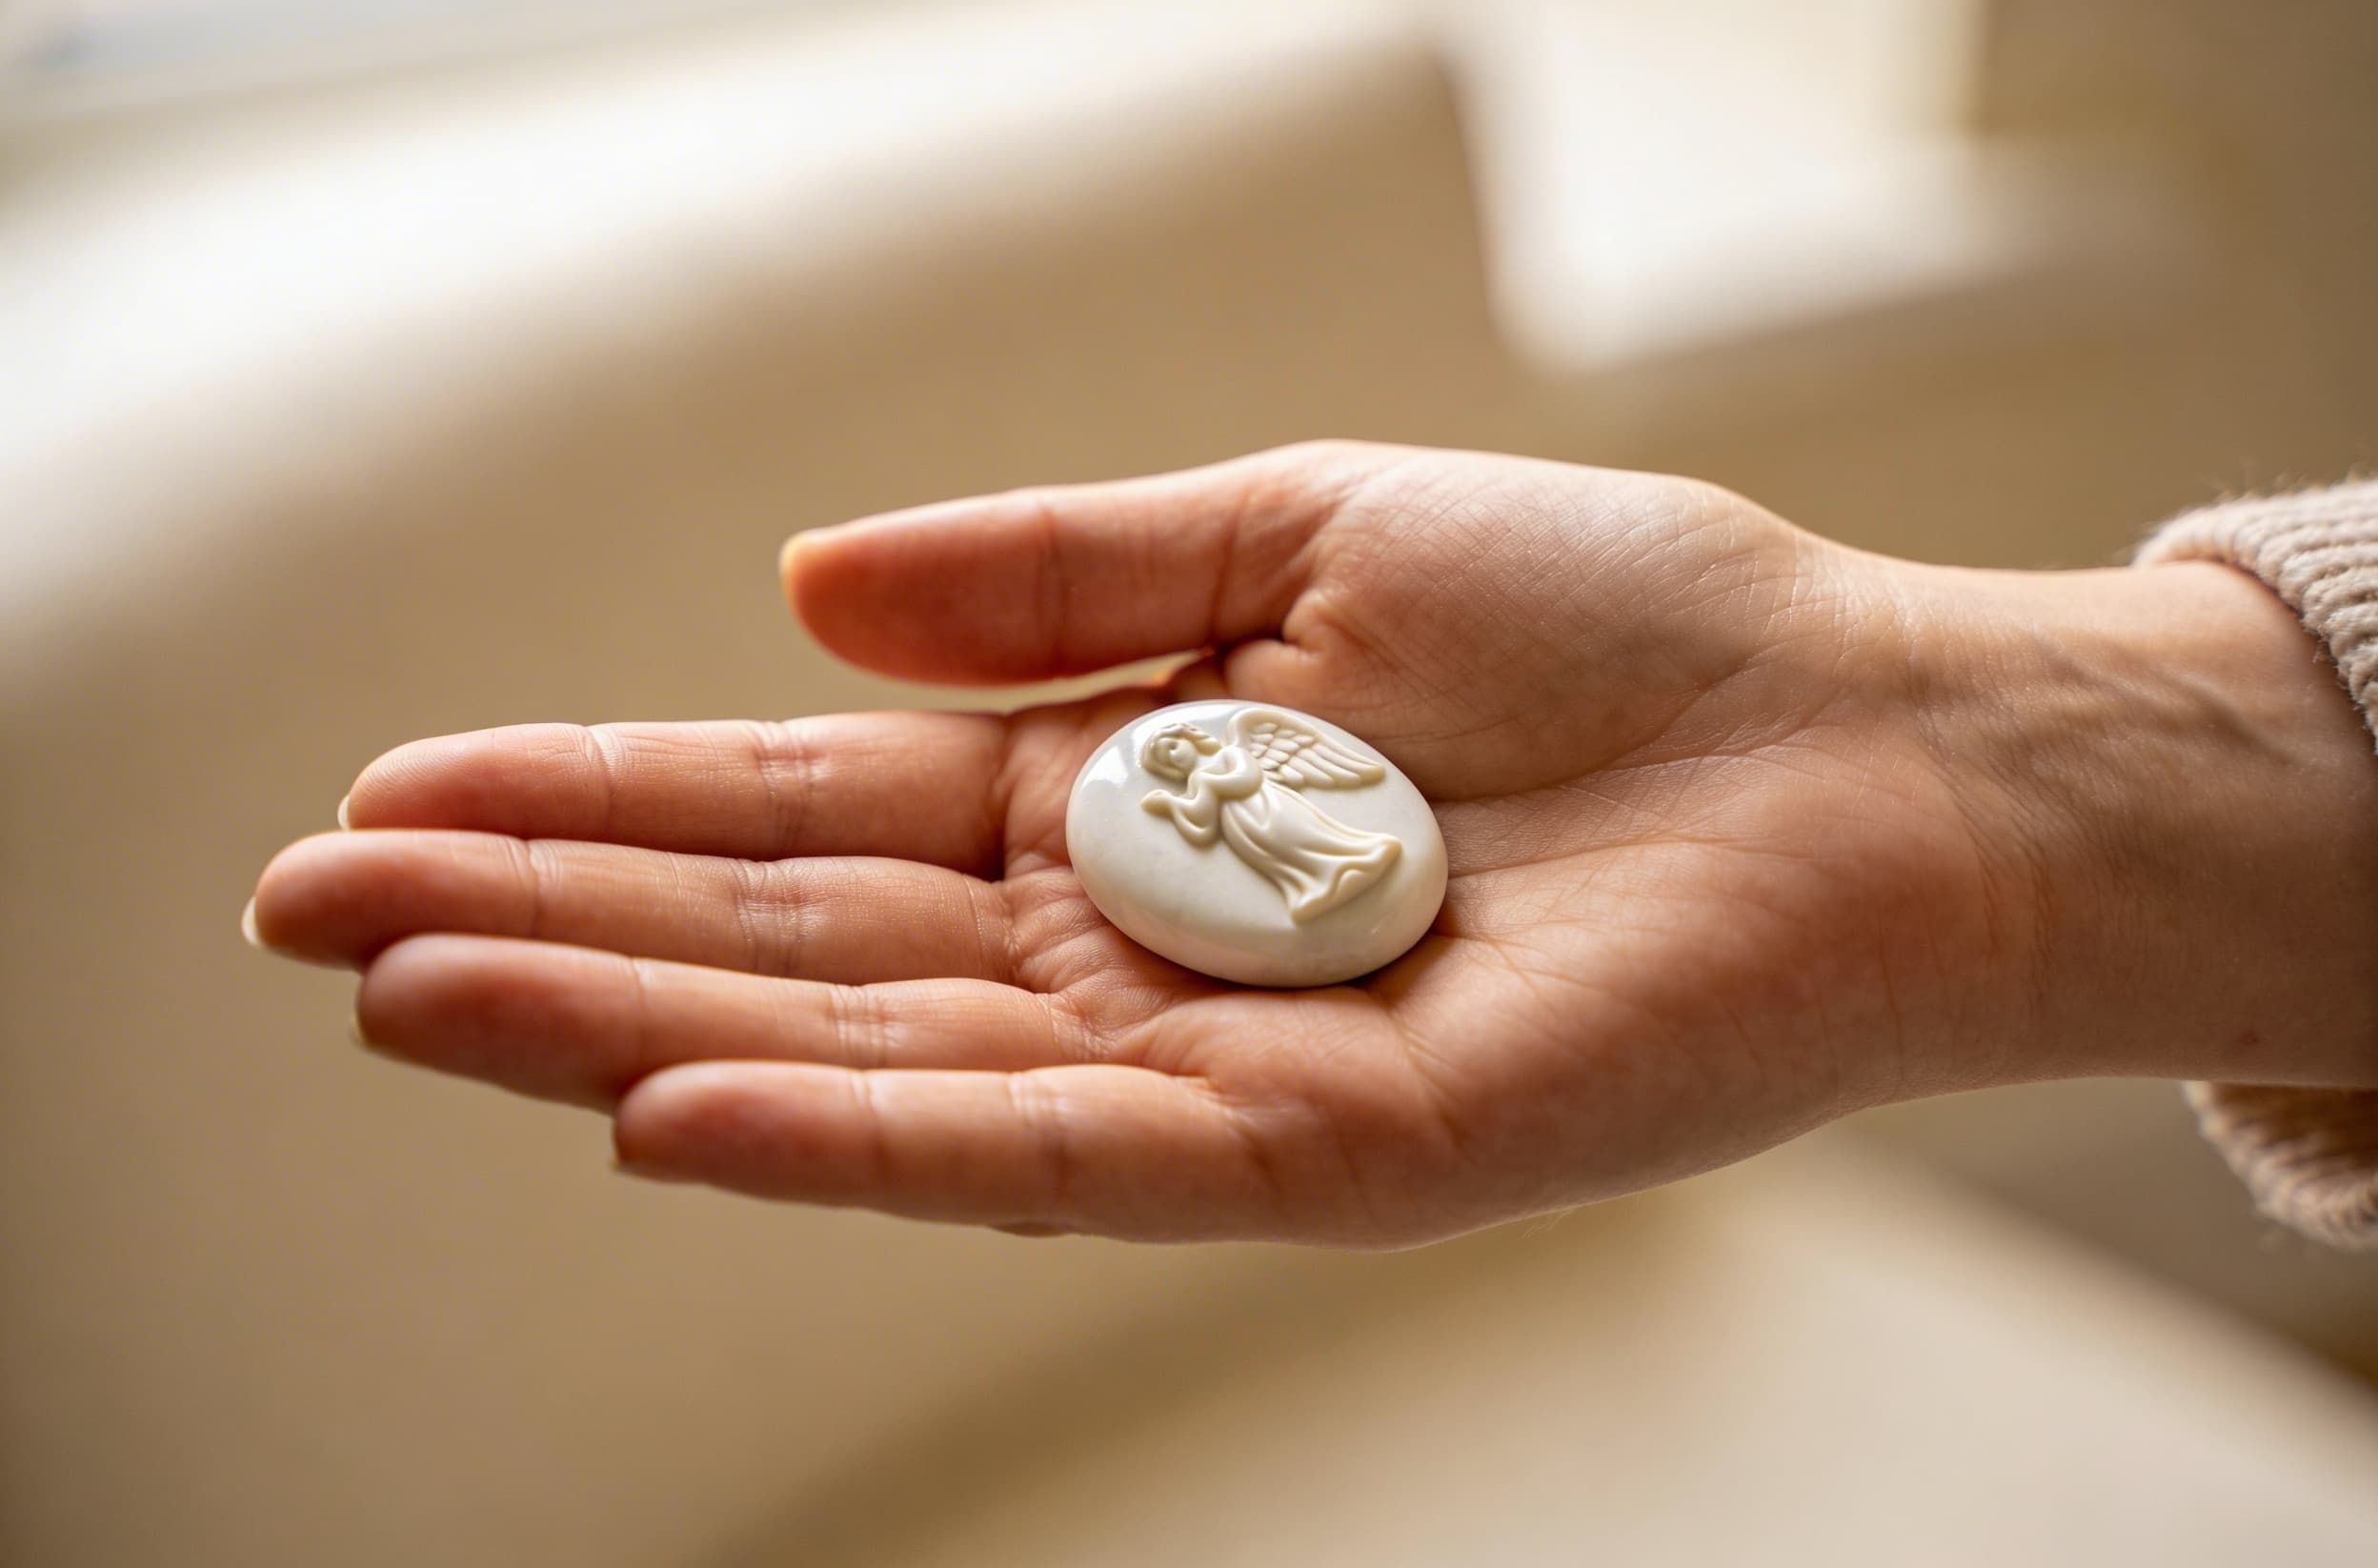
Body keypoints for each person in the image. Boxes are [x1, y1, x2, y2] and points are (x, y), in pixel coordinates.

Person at [244, 442, 2378, 1248]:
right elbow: (1224, 802)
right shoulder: (1204, 793)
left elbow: (1250, 805)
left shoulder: (1258, 798)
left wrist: (1953, 737)